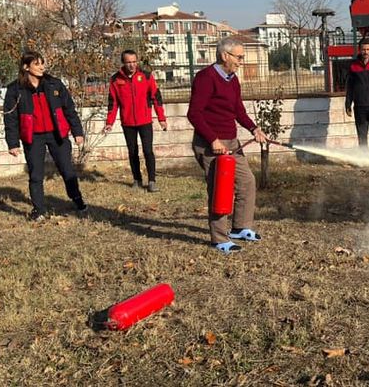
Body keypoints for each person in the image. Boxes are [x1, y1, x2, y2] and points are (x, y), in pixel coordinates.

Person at [187, 37, 268, 254]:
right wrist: (213, 140)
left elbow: (238, 110)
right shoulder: (206, 78)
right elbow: (194, 114)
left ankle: (240, 227)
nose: (242, 61)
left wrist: (254, 129)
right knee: (219, 191)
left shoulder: (232, 79)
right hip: (210, 144)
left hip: (232, 142)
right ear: (225, 56)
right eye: (239, 57)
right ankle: (219, 238)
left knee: (247, 182)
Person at [4, 50, 88, 221]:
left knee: (67, 169)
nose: (42, 67)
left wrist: (77, 132)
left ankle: (78, 201)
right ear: (26, 67)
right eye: (37, 64)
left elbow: (69, 109)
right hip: (33, 136)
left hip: (57, 134)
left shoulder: (54, 84)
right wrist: (13, 143)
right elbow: (10, 117)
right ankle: (39, 210)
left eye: (42, 63)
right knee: (35, 174)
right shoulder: (15, 89)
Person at [103, 50, 168, 192]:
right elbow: (113, 103)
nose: (132, 65)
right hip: (128, 123)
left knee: (148, 151)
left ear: (137, 61)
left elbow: (156, 97)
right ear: (123, 63)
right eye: (128, 62)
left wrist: (161, 118)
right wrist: (109, 123)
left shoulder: (146, 76)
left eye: (134, 62)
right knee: (132, 152)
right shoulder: (115, 80)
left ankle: (151, 181)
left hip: (145, 121)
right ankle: (137, 180)